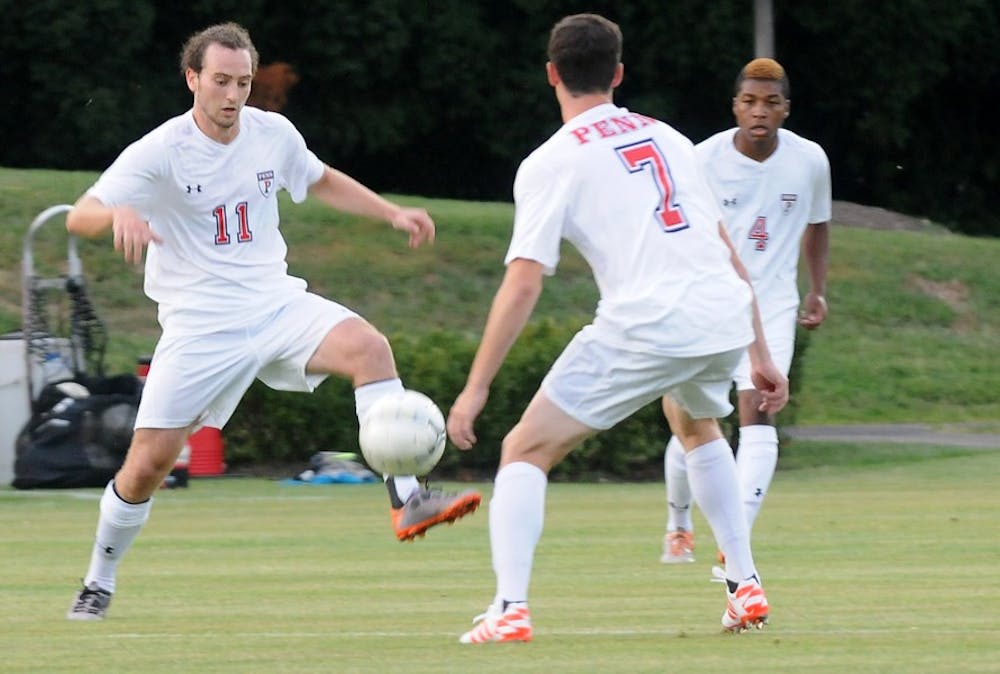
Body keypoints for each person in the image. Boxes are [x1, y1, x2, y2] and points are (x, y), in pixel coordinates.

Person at [64, 22, 480, 621]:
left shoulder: (272, 133)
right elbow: (82, 215)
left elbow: (320, 178)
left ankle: (407, 501)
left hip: (276, 304)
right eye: (220, 81)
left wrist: (390, 213)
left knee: (368, 347)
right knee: (147, 465)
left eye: (243, 82)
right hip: (201, 326)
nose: (233, 95)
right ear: (192, 79)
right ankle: (98, 580)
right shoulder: (159, 151)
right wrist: (118, 215)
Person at [446, 13, 788, 643]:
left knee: (524, 448)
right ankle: (745, 586)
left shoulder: (550, 161)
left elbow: (524, 282)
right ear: (619, 73)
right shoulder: (671, 137)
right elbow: (724, 245)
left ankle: (509, 608)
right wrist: (760, 350)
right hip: (719, 315)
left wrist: (475, 389)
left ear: (552, 75)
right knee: (696, 422)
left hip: (649, 322)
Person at [660, 57, 831, 566]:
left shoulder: (810, 160)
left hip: (774, 304)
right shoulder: (702, 158)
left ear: (786, 109)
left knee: (758, 410)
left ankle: (735, 544)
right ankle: (678, 524)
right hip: (708, 299)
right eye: (750, 101)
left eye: (771, 102)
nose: (760, 112)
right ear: (735, 106)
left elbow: (818, 224)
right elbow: (677, 229)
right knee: (695, 418)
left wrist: (817, 289)